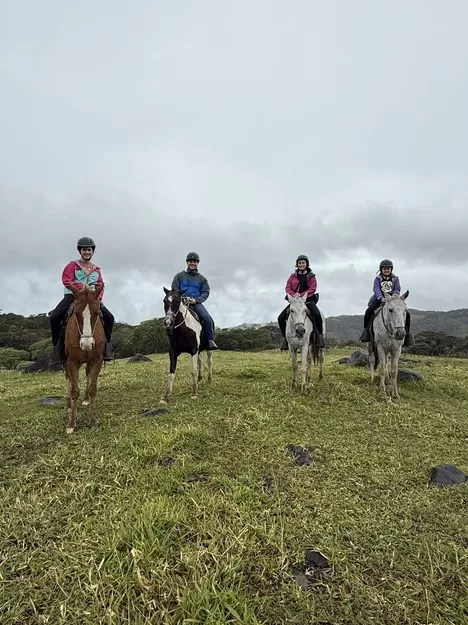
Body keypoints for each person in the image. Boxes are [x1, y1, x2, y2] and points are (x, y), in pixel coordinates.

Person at [49, 237, 115, 364]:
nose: (87, 252)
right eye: (84, 250)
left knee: (109, 318)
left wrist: (97, 297)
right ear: (80, 251)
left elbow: (100, 284)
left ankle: (107, 348)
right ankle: (57, 349)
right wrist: (80, 289)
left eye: (89, 250)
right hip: (73, 296)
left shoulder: (96, 269)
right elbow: (66, 280)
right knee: (55, 317)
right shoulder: (72, 266)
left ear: (92, 251)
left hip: (92, 298)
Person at [359, 259, 414, 345]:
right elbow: (376, 289)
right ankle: (366, 332)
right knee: (369, 311)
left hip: (393, 299)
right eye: (384, 269)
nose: (386, 270)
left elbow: (397, 288)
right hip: (380, 298)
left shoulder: (395, 279)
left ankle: (407, 335)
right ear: (381, 270)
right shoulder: (378, 279)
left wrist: (394, 296)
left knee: (407, 314)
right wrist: (381, 298)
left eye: (388, 269)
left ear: (391, 269)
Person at [171, 252, 218, 350]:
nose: (192, 263)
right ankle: (172, 341)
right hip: (181, 302)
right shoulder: (179, 276)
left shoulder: (202, 279)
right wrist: (183, 297)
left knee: (207, 318)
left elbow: (205, 292)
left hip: (195, 303)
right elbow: (174, 288)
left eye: (194, 261)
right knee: (170, 316)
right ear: (187, 262)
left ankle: (210, 340)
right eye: (190, 261)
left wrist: (196, 300)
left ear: (197, 263)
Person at [277, 254, 325, 349]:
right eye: (299, 263)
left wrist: (302, 294)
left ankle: (319, 337)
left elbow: (313, 288)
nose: (301, 264)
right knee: (280, 318)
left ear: (306, 264)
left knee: (316, 314)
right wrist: (293, 295)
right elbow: (288, 287)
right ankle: (285, 339)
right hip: (295, 301)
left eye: (303, 263)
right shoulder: (292, 276)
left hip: (308, 300)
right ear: (297, 264)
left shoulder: (311, 276)